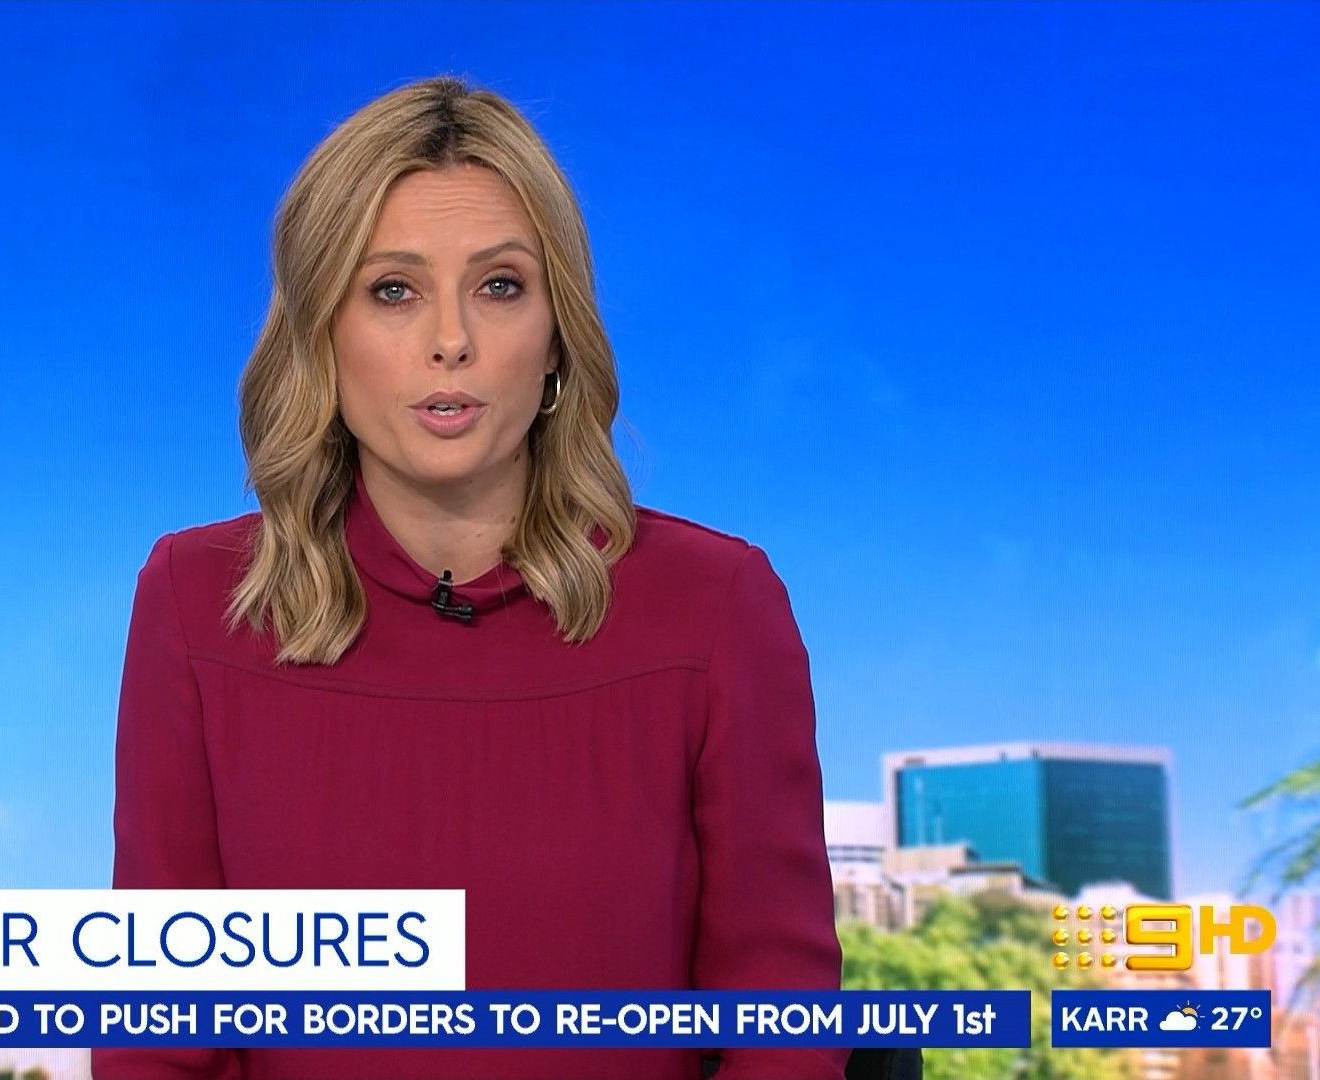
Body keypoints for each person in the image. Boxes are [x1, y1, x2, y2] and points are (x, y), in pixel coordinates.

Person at [93, 74, 846, 1080]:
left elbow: (780, 1028)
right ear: (321, 335)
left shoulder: (716, 608)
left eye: (499, 286)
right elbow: (160, 1042)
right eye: (392, 291)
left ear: (557, 336)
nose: (450, 340)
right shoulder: (197, 605)